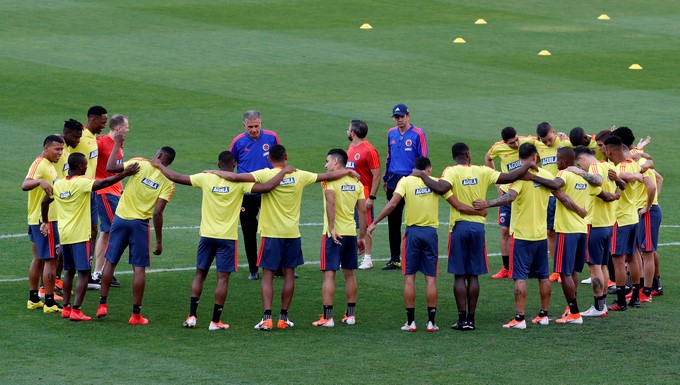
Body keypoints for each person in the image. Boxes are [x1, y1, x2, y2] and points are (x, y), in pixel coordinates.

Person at [212, 144, 358, 331]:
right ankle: (283, 318)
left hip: (271, 233)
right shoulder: (300, 174)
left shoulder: (265, 173)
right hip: (292, 233)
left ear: (270, 159)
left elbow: (234, 177)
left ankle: (267, 318)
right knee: (289, 274)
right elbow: (329, 176)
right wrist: (348, 172)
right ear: (286, 156)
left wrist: (212, 172)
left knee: (267, 276)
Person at [151, 151, 293, 330]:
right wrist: (283, 172)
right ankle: (215, 321)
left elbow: (177, 177)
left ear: (218, 165)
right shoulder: (240, 183)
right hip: (227, 239)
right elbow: (267, 188)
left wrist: (159, 165)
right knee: (222, 280)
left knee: (199, 275)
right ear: (234, 165)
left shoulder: (206, 178)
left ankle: (192, 316)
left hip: (207, 236)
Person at [416, 142, 533, 330]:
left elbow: (440, 188)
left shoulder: (451, 171)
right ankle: (472, 319)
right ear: (468, 154)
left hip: (460, 227)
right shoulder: (482, 171)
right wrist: (528, 164)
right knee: (474, 276)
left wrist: (422, 174)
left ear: (455, 156)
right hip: (478, 228)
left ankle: (462, 319)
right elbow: (510, 176)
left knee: (460, 276)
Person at [475, 143, 566, 329]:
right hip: (540, 236)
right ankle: (544, 315)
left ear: (520, 158)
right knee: (543, 277)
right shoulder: (547, 176)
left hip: (522, 237)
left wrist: (487, 203)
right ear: (535, 157)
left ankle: (519, 318)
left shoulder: (519, 177)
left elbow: (508, 198)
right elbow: (560, 194)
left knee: (520, 278)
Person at [41, 153, 138, 321]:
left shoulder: (59, 184)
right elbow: (104, 183)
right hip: (80, 235)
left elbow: (44, 202)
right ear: (79, 166)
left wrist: (44, 221)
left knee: (69, 271)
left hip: (64, 234)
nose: (87, 166)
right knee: (84, 272)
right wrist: (124, 174)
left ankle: (66, 308)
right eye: (85, 164)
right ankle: (77, 310)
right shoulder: (82, 182)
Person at [96, 131, 176, 325]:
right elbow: (157, 213)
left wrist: (117, 145)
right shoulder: (169, 182)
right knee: (138, 269)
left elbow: (110, 167)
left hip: (120, 219)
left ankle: (102, 305)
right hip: (140, 224)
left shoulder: (140, 163)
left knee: (110, 261)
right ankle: (136, 315)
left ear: (158, 156)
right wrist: (158, 240)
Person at [368, 157, 445, 332]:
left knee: (409, 277)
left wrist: (375, 223)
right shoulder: (436, 182)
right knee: (430, 278)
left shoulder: (405, 181)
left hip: (412, 233)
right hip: (430, 233)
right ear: (429, 169)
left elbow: (393, 203)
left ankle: (411, 322)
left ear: (414, 169)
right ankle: (431, 322)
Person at [549, 147, 608, 324]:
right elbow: (603, 191)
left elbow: (554, 185)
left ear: (566, 160)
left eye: (558, 158)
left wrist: (534, 178)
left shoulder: (564, 174)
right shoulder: (584, 177)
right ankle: (570, 308)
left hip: (567, 230)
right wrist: (616, 193)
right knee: (572, 271)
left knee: (564, 272)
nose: (556, 161)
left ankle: (574, 313)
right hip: (582, 230)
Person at [312, 149, 367, 327]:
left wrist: (332, 228)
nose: (325, 165)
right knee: (350, 273)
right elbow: (363, 211)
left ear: (336, 161)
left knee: (329, 274)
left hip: (333, 234)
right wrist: (363, 237)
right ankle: (351, 315)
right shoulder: (356, 182)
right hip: (351, 232)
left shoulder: (329, 181)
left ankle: (328, 317)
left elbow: (331, 203)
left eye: (327, 161)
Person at [229, 110, 281, 281]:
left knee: (275, 229)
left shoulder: (272, 137)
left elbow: (279, 160)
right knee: (249, 231)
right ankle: (253, 269)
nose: (253, 129)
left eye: (256, 126)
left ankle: (279, 267)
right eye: (250, 127)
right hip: (248, 193)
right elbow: (231, 163)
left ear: (261, 123)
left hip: (268, 190)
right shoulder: (238, 142)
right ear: (244, 125)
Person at [569, 146, 620, 317]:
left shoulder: (595, 168)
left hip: (594, 224)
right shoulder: (608, 166)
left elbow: (597, 181)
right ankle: (602, 305)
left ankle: (598, 307)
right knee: (603, 266)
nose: (580, 167)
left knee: (594, 267)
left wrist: (578, 172)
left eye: (579, 164)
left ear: (581, 159)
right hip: (607, 223)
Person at [381, 104, 427, 270]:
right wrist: (386, 178)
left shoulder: (418, 134)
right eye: (396, 117)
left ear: (408, 116)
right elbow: (389, 156)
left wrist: (421, 179)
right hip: (393, 180)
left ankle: (419, 256)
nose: (399, 119)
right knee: (393, 221)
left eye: (402, 116)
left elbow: (423, 159)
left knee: (416, 219)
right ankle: (395, 259)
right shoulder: (391, 133)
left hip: (411, 180)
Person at [603, 136, 645, 311]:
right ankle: (635, 297)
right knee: (633, 256)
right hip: (633, 217)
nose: (603, 152)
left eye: (605, 150)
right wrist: (637, 175)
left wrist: (632, 176)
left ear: (611, 150)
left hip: (619, 219)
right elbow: (641, 172)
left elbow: (625, 177)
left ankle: (621, 301)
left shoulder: (619, 167)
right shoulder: (633, 164)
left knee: (618, 259)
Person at [484, 127, 533, 279]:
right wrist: (497, 183)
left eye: (517, 140)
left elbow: (545, 144)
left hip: (524, 193)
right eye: (512, 143)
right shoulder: (498, 148)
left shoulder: (527, 141)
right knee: (505, 230)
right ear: (505, 142)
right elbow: (488, 158)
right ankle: (506, 267)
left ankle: (525, 264)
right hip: (507, 193)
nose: (516, 144)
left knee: (524, 229)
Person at [22, 135, 64, 313]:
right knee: (51, 260)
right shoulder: (40, 164)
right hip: (45, 221)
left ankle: (33, 299)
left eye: (62, 149)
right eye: (57, 149)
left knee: (38, 258)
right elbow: (25, 185)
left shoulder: (49, 164)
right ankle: (49, 302)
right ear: (46, 148)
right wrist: (39, 181)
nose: (60, 153)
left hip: (36, 219)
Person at [71, 105, 108, 290]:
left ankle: (88, 273)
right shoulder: (79, 138)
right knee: (76, 233)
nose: (104, 125)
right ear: (92, 119)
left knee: (93, 230)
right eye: (102, 122)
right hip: (78, 193)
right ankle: (69, 273)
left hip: (91, 191)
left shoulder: (93, 138)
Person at [92, 114, 129, 289]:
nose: (128, 130)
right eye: (126, 127)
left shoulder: (118, 144)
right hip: (104, 192)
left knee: (108, 232)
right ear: (119, 128)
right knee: (112, 230)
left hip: (115, 192)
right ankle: (99, 273)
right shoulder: (101, 143)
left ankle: (104, 271)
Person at [534, 122, 570, 283]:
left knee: (567, 231)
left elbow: (588, 144)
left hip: (566, 194)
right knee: (550, 232)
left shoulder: (565, 143)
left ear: (554, 132)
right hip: (547, 196)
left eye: (549, 139)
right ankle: (556, 270)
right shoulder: (537, 144)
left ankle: (567, 269)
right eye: (544, 141)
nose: (547, 143)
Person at [346, 120, 380, 270]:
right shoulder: (352, 147)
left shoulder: (369, 150)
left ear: (353, 132)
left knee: (366, 226)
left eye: (348, 129)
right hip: (350, 191)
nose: (347, 131)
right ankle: (351, 256)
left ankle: (368, 258)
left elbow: (377, 175)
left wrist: (371, 197)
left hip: (364, 192)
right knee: (350, 224)